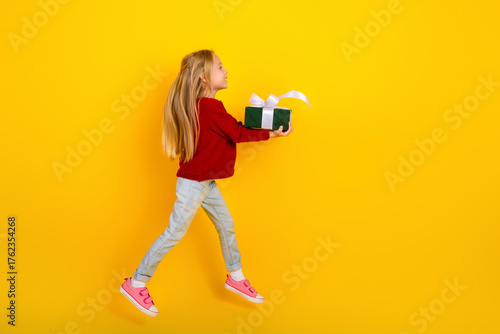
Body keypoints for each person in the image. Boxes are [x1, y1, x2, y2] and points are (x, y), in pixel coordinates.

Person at [119, 49, 293, 317]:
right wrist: (271, 133)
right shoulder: (210, 106)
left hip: (204, 182)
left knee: (226, 225)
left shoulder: (201, 106)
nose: (226, 71)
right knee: (174, 232)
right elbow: (236, 132)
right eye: (220, 67)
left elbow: (231, 127)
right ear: (203, 77)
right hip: (193, 184)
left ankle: (235, 276)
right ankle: (136, 282)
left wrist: (262, 126)